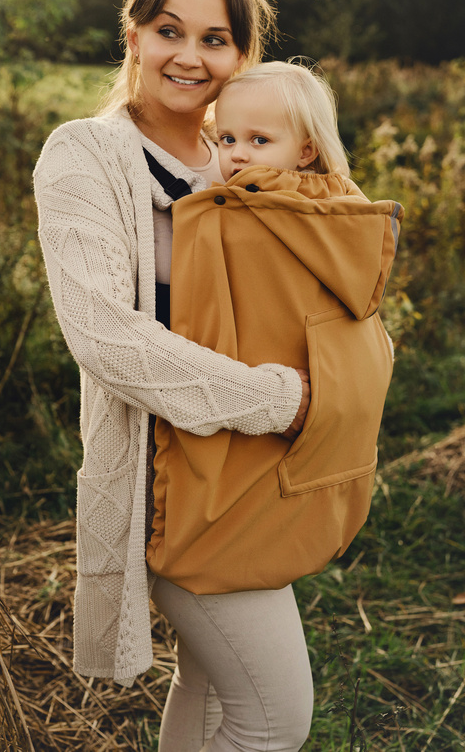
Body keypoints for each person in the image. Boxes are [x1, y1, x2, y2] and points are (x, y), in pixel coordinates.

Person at [34, 0, 313, 752]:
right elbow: (104, 334)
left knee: (214, 690)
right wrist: (278, 400)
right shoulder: (84, 155)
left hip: (247, 477)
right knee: (276, 719)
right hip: (170, 486)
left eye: (215, 39)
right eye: (168, 30)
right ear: (133, 36)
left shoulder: (246, 157)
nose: (189, 56)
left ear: (242, 55)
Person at [147, 62, 404, 604]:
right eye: (226, 139)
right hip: (324, 458)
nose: (237, 155)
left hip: (240, 456)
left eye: (259, 140)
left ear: (306, 150)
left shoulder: (240, 219)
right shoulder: (342, 214)